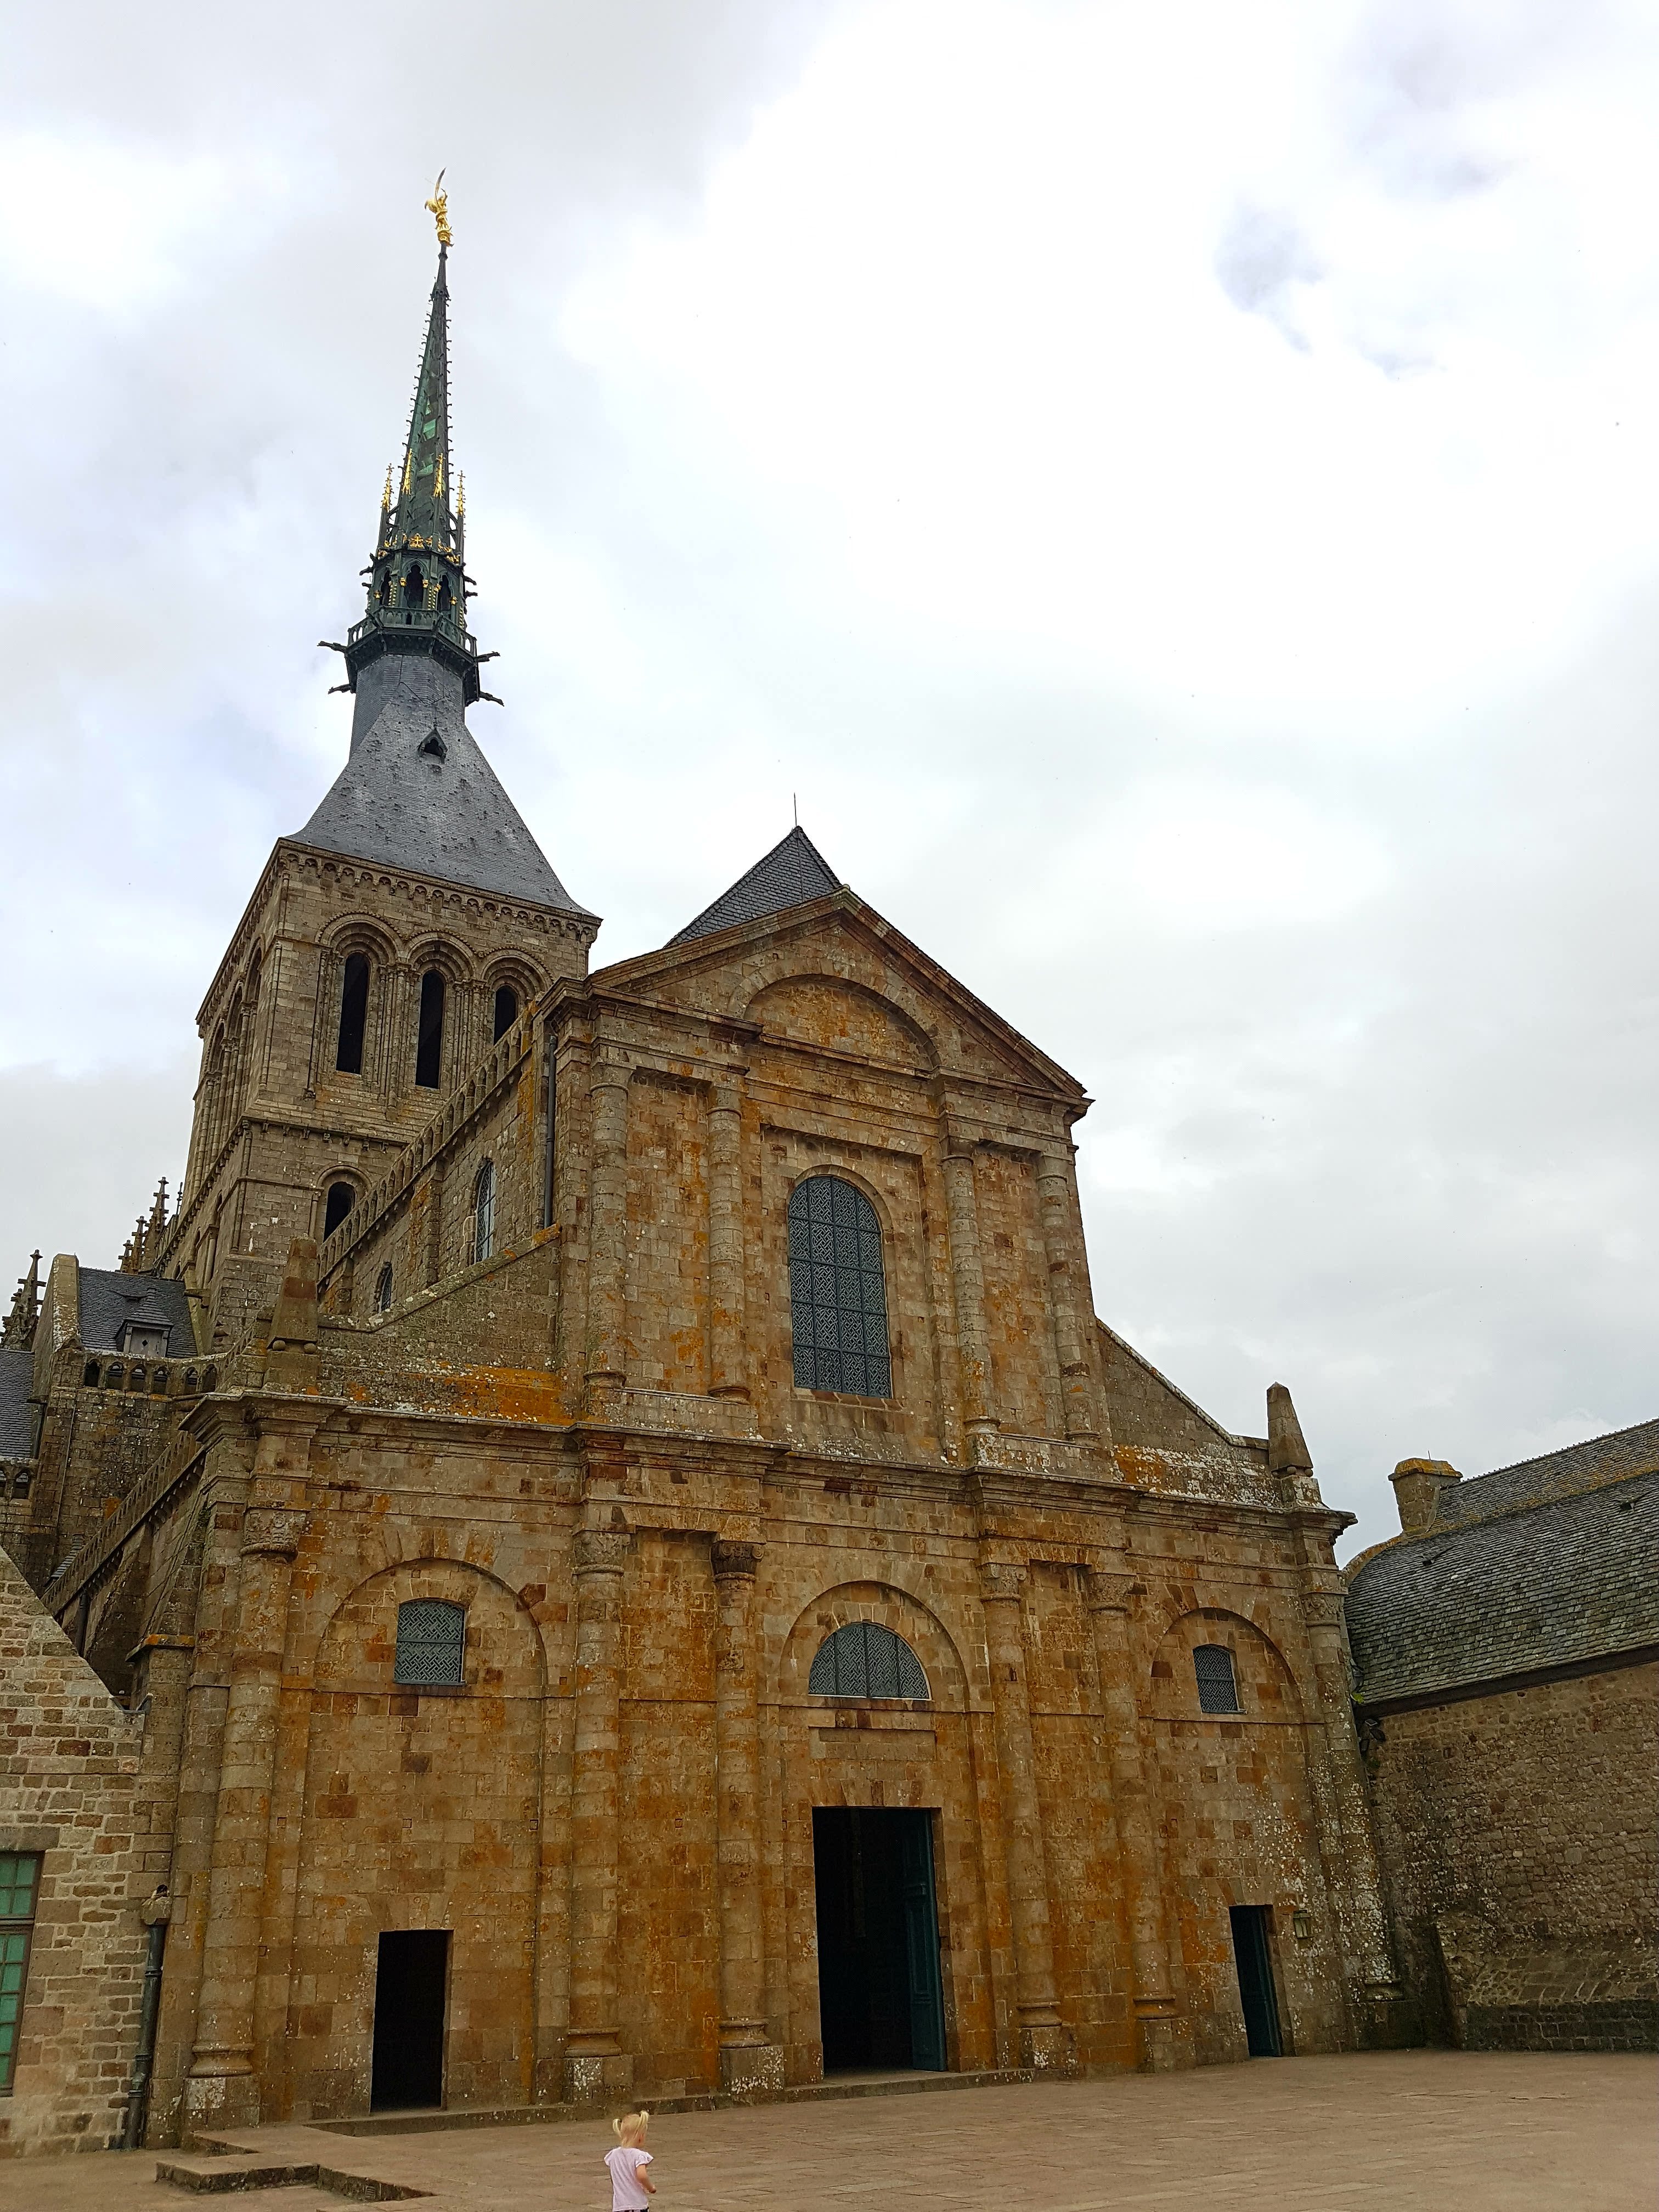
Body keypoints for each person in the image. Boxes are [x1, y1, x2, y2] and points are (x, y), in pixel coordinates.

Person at [605, 2109, 656, 2211]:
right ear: (641, 2137)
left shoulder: (614, 2154)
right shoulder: (639, 2156)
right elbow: (642, 2175)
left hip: (619, 2206)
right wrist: (650, 2187)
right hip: (637, 2205)